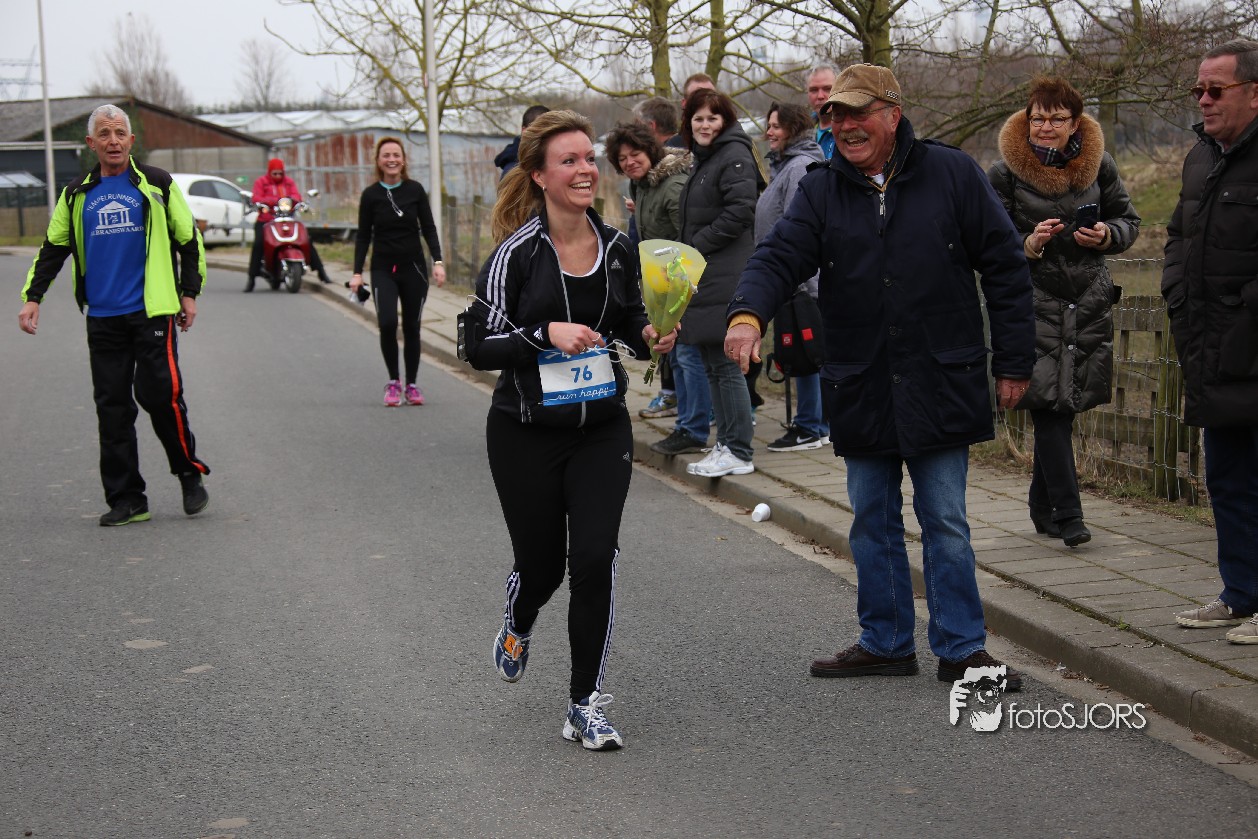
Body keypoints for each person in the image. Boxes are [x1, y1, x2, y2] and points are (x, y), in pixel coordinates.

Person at [724, 64, 1035, 688]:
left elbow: (1004, 267)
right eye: (835, 115)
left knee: (945, 520)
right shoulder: (820, 189)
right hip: (862, 378)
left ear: (892, 114)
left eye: (857, 113)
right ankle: (886, 641)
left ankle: (962, 650)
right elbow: (779, 255)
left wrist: (1014, 361)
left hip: (940, 375)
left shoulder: (952, 173)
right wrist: (747, 313)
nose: (845, 126)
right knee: (872, 518)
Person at [462, 110, 678, 750]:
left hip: (600, 429)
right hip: (524, 432)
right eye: (570, 161)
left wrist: (650, 334)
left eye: (589, 158)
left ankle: (584, 704)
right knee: (542, 568)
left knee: (593, 558)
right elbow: (477, 345)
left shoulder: (617, 248)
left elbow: (630, 319)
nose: (586, 170)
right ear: (539, 175)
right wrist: (544, 334)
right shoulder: (515, 256)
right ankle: (518, 619)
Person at [18, 103, 210, 527]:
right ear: (91, 143)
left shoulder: (156, 183)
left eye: (120, 133)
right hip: (103, 317)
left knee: (160, 396)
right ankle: (128, 498)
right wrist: (33, 297)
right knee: (113, 408)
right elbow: (53, 248)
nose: (113, 141)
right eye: (104, 134)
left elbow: (188, 239)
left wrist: (189, 293)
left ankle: (188, 473)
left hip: (152, 312)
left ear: (131, 140)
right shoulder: (76, 194)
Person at [988, 77, 1141, 547]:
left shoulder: (1100, 164)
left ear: (1075, 123)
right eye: (1038, 118)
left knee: (1064, 405)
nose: (1045, 127)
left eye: (1057, 119)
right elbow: (987, 239)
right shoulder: (1003, 174)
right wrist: (1028, 243)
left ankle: (1042, 508)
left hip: (1087, 301)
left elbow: (1129, 221)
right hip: (1032, 302)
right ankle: (1071, 516)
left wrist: (1107, 236)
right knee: (1048, 408)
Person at [1162, 39, 1258, 644]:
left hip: (1251, 344)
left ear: (1254, 93)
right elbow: (1178, 234)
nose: (1203, 100)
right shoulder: (1201, 157)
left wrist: (1246, 314)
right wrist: (1175, 291)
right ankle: (1241, 594)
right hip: (1212, 352)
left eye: (1215, 89)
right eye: (1198, 89)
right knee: (1228, 480)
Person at [676, 88, 764, 477]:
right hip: (708, 274)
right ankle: (726, 445)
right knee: (713, 364)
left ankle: (739, 450)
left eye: (712, 117)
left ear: (725, 120)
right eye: (698, 118)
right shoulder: (708, 158)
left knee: (726, 366)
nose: (705, 124)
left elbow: (741, 210)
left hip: (725, 275)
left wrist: (697, 245)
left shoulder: (733, 156)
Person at [605, 122, 692, 423]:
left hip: (681, 282)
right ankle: (685, 418)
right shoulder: (640, 185)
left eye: (635, 154)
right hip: (660, 281)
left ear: (650, 150)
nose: (629, 162)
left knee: (687, 356)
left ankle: (692, 422)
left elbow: (689, 238)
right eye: (622, 159)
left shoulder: (673, 185)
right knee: (674, 353)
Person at [755, 102, 829, 453]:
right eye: (768, 125)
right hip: (789, 279)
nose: (769, 132)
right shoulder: (785, 165)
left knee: (807, 353)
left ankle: (811, 425)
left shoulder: (798, 166)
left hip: (801, 282)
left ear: (793, 128)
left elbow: (798, 227)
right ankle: (814, 423)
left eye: (776, 126)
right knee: (802, 352)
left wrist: (793, 279)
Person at [350, 138, 446, 407]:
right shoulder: (370, 195)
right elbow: (363, 236)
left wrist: (438, 262)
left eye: (396, 155)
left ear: (403, 160)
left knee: (412, 326)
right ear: (378, 161)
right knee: (388, 323)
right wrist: (357, 273)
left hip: (413, 269)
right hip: (383, 269)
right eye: (386, 155)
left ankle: (412, 384)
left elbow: (428, 228)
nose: (391, 159)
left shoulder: (415, 190)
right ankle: (394, 382)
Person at [246, 158, 331, 292]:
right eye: (275, 173)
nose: (278, 176)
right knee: (259, 244)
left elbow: (296, 195)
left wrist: (295, 201)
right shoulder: (261, 182)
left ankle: (321, 272)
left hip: (287, 219)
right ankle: (251, 278)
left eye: (280, 173)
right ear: (269, 172)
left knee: (306, 241)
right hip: (266, 220)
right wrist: (272, 202)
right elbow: (256, 197)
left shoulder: (288, 182)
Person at [494, 105, 550, 179]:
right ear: (525, 131)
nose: (546, 135)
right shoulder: (514, 172)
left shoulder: (549, 160)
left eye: (550, 130)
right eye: (540, 129)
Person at [806, 65, 838, 160]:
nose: (820, 96)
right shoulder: (801, 133)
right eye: (814, 90)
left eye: (827, 89)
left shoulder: (851, 130)